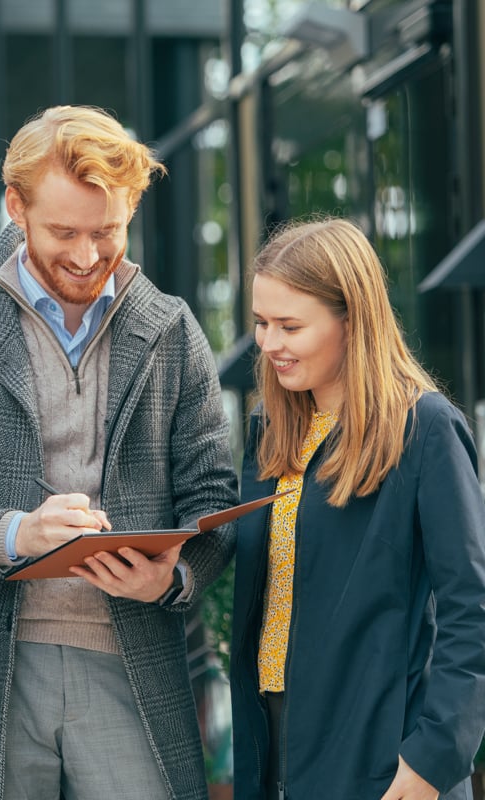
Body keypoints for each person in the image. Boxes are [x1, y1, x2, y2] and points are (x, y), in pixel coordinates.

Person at [0, 104, 239, 800]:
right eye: (63, 232)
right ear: (15, 206)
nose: (84, 256)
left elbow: (213, 502)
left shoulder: (172, 331)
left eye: (106, 232)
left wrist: (171, 578)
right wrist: (19, 534)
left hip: (131, 662)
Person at [230, 217, 485, 800]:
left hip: (386, 758)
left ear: (352, 319)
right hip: (277, 744)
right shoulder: (270, 431)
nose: (269, 345)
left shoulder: (426, 427)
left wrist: (432, 761)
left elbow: (473, 608)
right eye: (261, 323)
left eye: (290, 326)